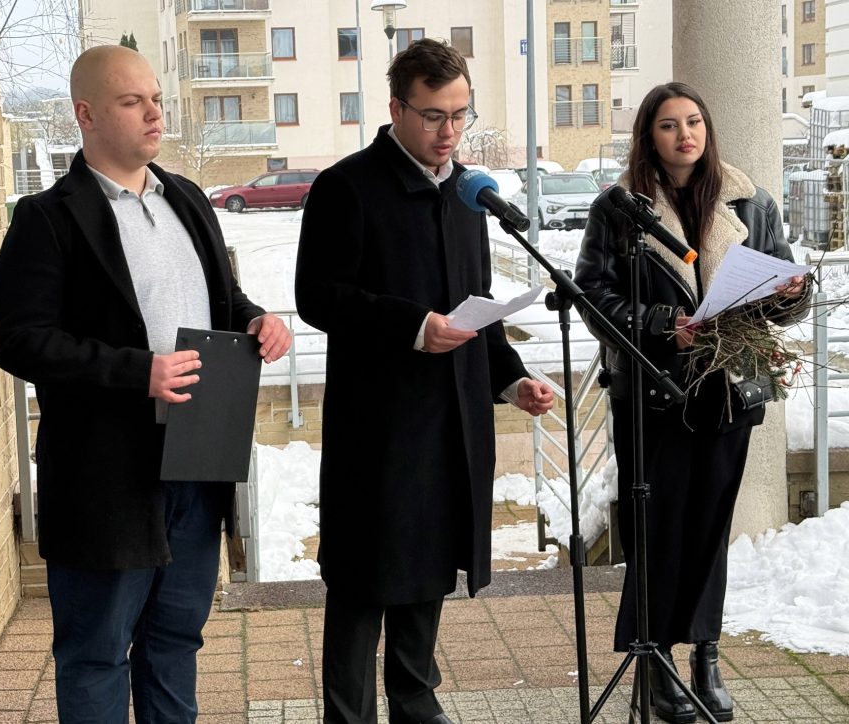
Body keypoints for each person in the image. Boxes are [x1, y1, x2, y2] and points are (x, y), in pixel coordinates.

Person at [0, 45, 291, 724]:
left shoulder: (187, 197)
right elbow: (20, 340)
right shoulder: (47, 218)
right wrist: (138, 372)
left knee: (175, 642)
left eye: (155, 98)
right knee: (96, 654)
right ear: (87, 115)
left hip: (196, 462)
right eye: (133, 102)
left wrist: (255, 320)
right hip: (105, 478)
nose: (155, 113)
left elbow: (222, 298)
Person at [295, 39, 554, 724]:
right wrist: (413, 326)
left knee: (431, 560)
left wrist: (512, 381)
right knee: (364, 577)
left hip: (453, 419)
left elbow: (478, 305)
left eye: (461, 115)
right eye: (434, 116)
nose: (449, 132)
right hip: (378, 423)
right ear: (396, 109)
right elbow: (317, 296)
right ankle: (348, 715)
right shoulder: (347, 187)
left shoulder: (469, 194)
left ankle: (415, 700)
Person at [574, 82, 809, 724]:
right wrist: (658, 323)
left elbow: (785, 294)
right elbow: (592, 296)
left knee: (709, 530)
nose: (686, 135)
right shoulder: (619, 209)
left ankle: (706, 655)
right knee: (656, 530)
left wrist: (791, 293)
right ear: (648, 137)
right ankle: (654, 661)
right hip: (653, 393)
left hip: (727, 389)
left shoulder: (751, 201)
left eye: (695, 121)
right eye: (670, 125)